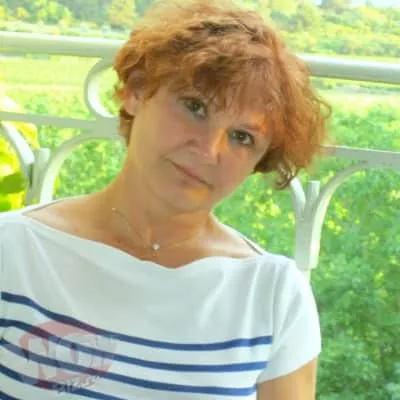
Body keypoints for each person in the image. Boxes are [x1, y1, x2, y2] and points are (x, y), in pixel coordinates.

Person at [0, 0, 331, 398]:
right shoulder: (14, 250)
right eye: (195, 107)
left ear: (260, 161)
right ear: (136, 91)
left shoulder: (272, 295)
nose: (208, 149)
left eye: (242, 137)